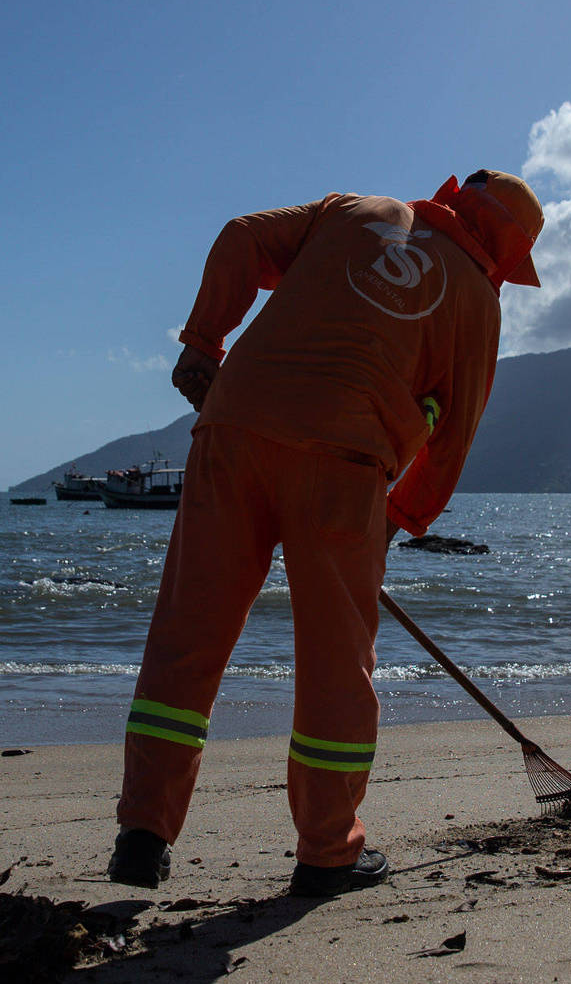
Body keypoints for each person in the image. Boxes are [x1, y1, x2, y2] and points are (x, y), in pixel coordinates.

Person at [107, 171, 544, 899]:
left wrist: (203, 342)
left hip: (234, 428)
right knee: (337, 660)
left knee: (188, 633)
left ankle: (143, 834)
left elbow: (243, 236)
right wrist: (402, 519)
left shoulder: (354, 211)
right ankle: (326, 853)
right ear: (505, 253)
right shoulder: (474, 301)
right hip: (343, 468)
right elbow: (455, 433)